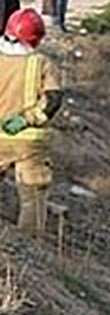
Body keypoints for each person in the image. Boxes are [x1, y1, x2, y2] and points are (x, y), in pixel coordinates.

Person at [0, 10, 59, 235]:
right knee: (32, 195)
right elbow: (52, 101)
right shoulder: (41, 63)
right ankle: (29, 243)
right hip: (29, 142)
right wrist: (27, 119)